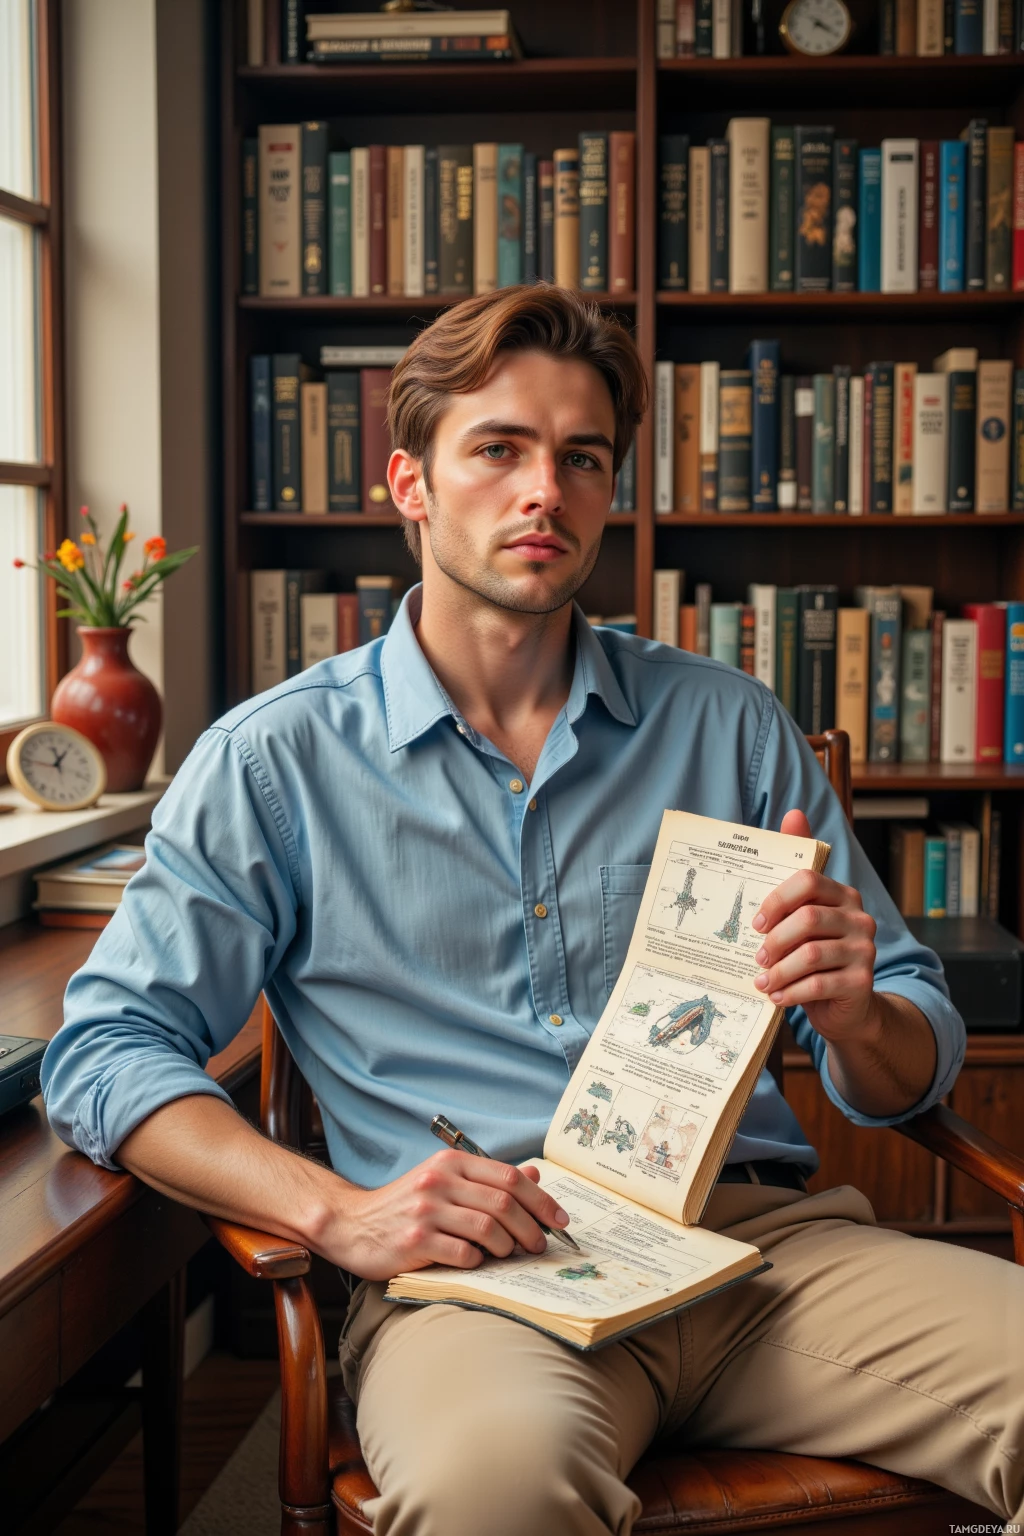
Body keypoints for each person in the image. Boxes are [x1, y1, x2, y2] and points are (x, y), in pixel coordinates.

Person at [43, 286, 1023, 1536]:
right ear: (410, 483)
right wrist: (341, 1213)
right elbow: (105, 1053)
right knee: (492, 1491)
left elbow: (899, 1069)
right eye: (498, 449)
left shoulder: (729, 727)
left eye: (581, 459)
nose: (542, 493)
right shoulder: (272, 765)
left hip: (759, 1254)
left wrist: (859, 1013)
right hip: (475, 1287)